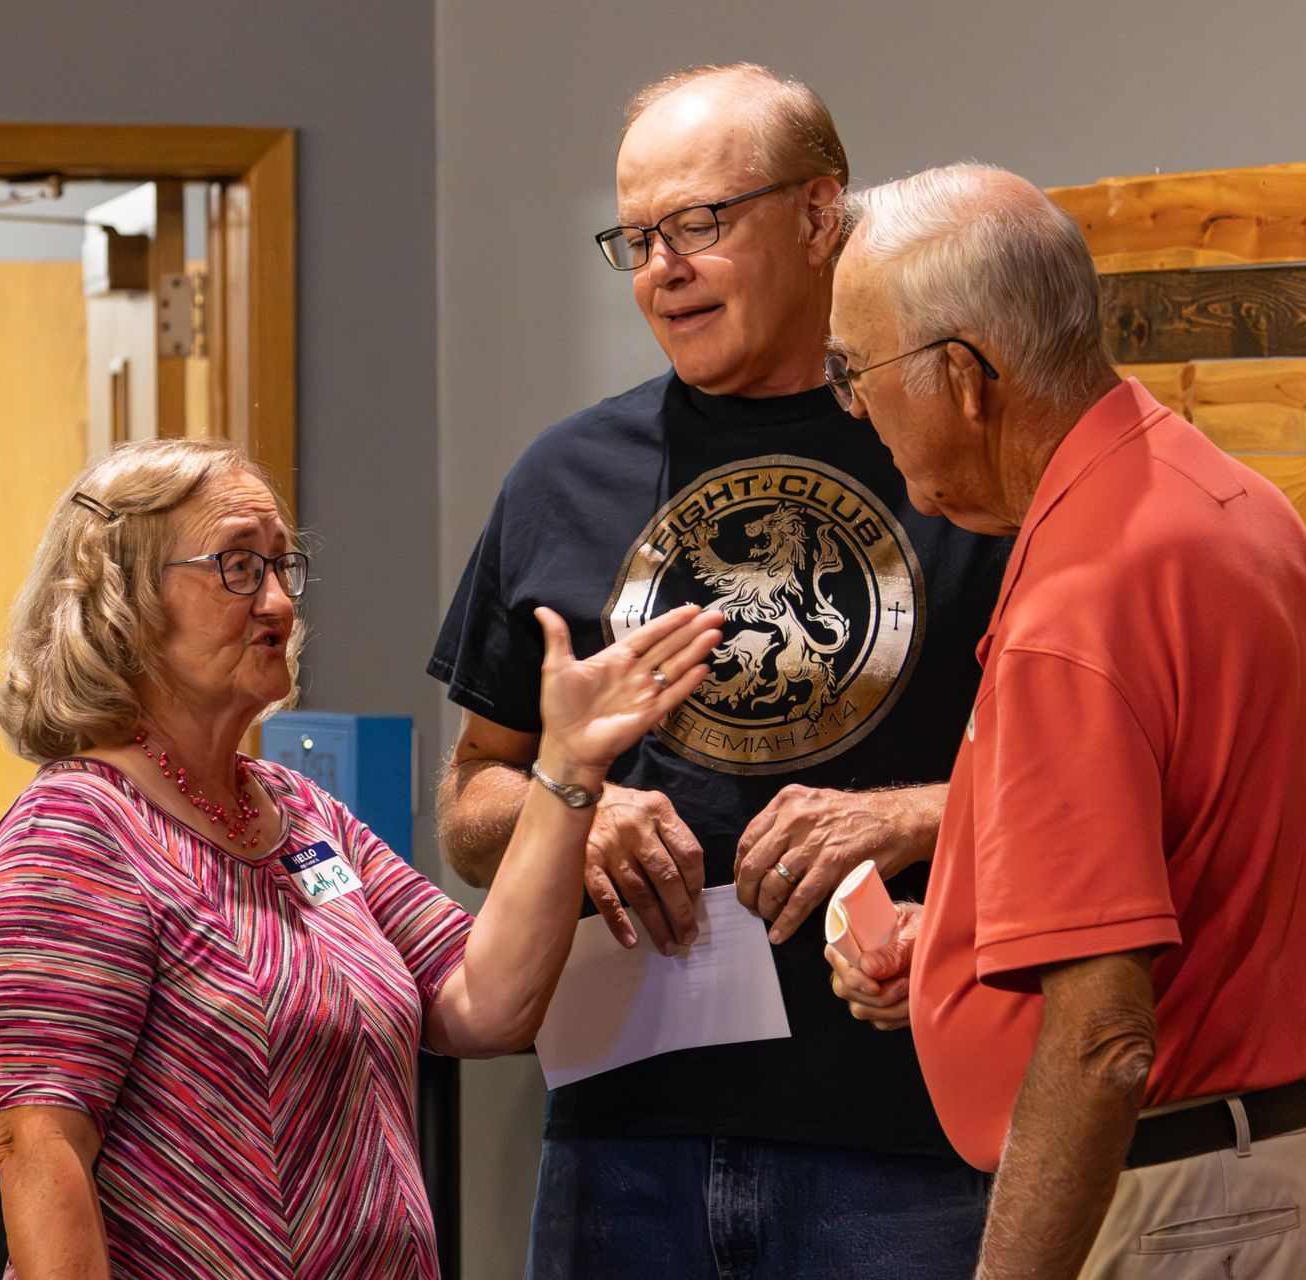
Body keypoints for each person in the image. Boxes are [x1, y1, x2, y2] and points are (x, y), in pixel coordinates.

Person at [431, 64, 1008, 1277]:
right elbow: (469, 802)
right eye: (636, 236)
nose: (662, 268)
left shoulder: (957, 451)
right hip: (622, 1142)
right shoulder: (563, 475)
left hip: (910, 1137)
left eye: (701, 222)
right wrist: (568, 813)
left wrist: (909, 818)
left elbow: (1097, 792)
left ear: (819, 214)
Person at [0, 437, 721, 1280]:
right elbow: (38, 1145)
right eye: (238, 566)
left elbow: (483, 1003)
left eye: (284, 567)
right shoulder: (72, 833)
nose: (280, 603)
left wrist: (569, 769)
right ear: (122, 601)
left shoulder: (298, 810)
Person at [823, 163, 1306, 1279]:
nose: (855, 408)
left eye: (856, 371)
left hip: (1181, 1207)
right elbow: (1211, 849)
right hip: (1285, 1168)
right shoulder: (1230, 504)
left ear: (963, 377)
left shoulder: (1075, 600)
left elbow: (1105, 1042)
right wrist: (960, 951)